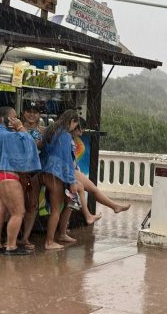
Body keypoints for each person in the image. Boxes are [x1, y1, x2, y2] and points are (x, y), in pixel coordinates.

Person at [0, 106, 41, 255]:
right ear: (4, 118)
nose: (17, 119)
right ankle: (11, 246)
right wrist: (21, 128)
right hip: (7, 174)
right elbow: (30, 142)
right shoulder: (9, 136)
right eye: (14, 116)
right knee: (18, 212)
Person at [71, 119, 130, 225]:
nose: (83, 132)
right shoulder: (66, 138)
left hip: (73, 170)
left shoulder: (72, 139)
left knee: (93, 188)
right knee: (80, 188)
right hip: (68, 171)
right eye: (81, 129)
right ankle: (87, 216)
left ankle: (115, 206)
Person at [39, 109, 80, 250]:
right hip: (56, 174)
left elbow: (43, 150)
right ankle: (49, 242)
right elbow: (67, 160)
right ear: (72, 121)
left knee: (53, 208)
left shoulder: (50, 130)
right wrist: (72, 181)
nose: (75, 128)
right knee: (56, 210)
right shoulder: (65, 136)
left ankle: (51, 239)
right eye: (75, 124)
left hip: (45, 171)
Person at [18, 99, 46, 250]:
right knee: (16, 203)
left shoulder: (43, 131)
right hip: (18, 170)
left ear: (39, 114)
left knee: (32, 204)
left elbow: (43, 146)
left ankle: (25, 238)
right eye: (29, 111)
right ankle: (12, 236)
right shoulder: (16, 128)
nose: (32, 115)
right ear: (23, 113)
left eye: (35, 112)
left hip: (35, 171)